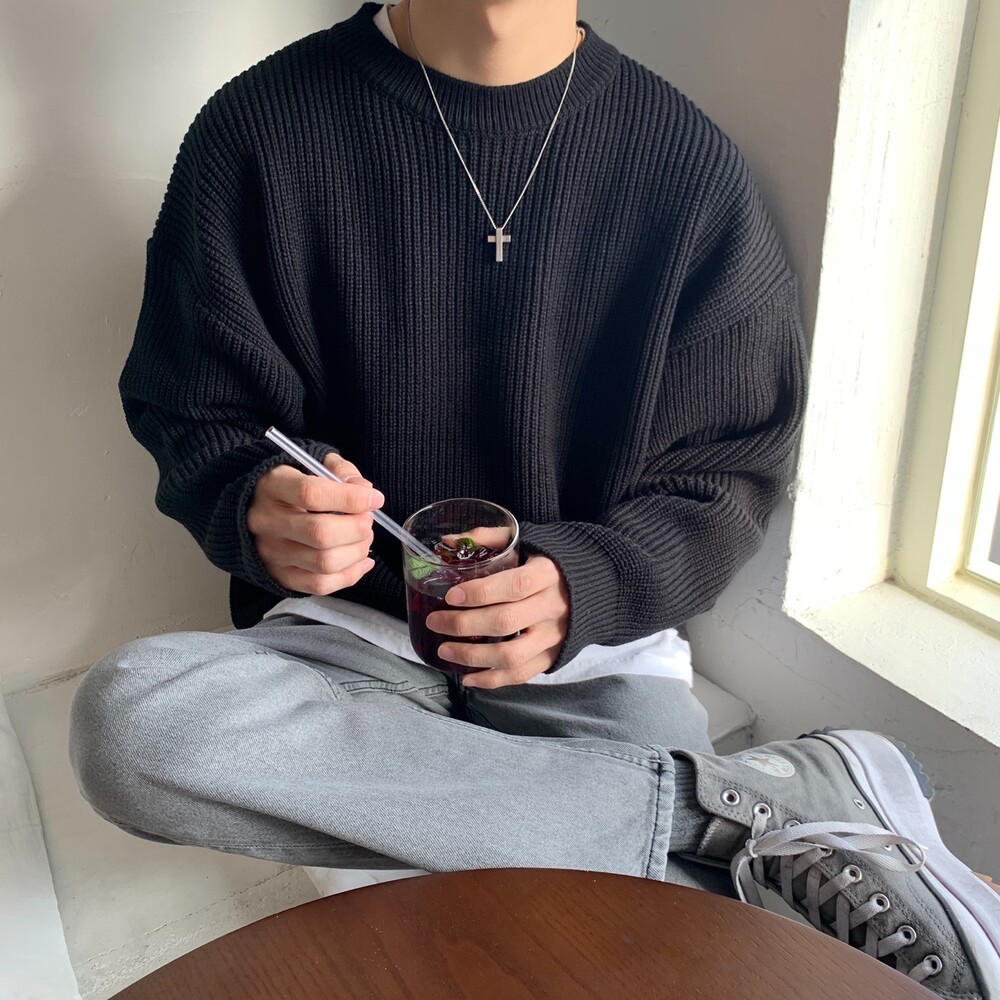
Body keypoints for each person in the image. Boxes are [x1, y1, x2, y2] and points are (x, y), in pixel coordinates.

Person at [69, 2, 998, 995]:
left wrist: (577, 586)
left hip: (593, 657)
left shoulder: (686, 167)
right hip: (347, 641)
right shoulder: (258, 129)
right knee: (134, 727)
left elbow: (731, 473)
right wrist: (259, 502)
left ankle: (664, 824)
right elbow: (197, 410)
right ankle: (733, 807)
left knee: (638, 960)